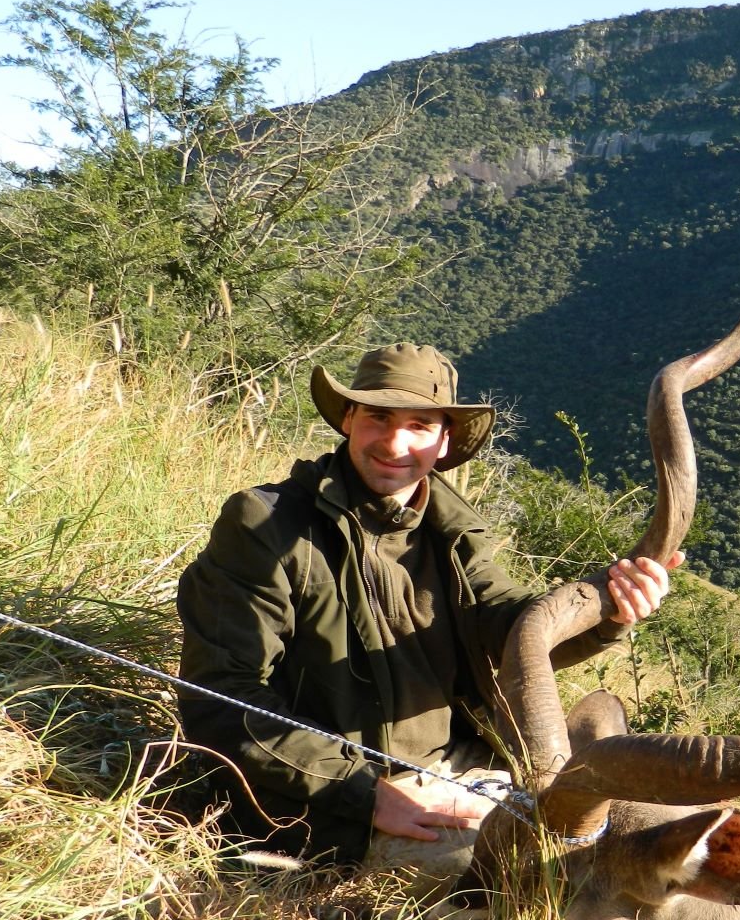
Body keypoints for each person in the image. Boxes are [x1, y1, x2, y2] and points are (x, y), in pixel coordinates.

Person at [175, 342, 679, 876]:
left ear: (443, 442)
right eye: (378, 417)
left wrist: (610, 609)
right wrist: (365, 793)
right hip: (322, 798)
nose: (395, 442)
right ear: (349, 419)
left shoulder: (451, 532)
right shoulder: (264, 525)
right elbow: (221, 698)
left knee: (635, 829)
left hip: (459, 771)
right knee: (533, 875)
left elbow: (511, 629)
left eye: (419, 425)